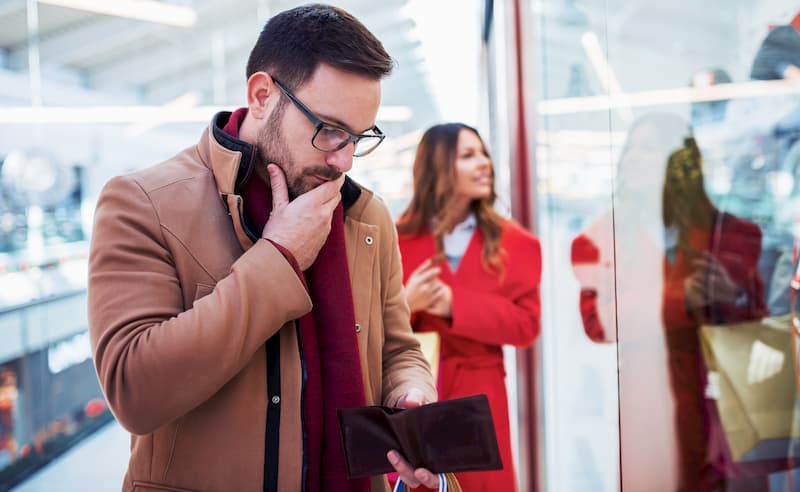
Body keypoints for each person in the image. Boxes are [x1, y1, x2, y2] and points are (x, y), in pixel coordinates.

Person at [87, 5, 437, 492]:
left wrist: (410, 389)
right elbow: (134, 392)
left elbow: (400, 350)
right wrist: (279, 256)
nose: (344, 159)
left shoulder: (365, 216)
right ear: (261, 95)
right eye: (330, 129)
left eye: (359, 137)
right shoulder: (143, 203)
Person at [395, 123, 542, 492]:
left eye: (483, 154)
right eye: (468, 155)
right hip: (416, 394)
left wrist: (451, 303)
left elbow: (527, 325)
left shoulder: (518, 243)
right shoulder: (393, 239)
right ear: (437, 166)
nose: (484, 164)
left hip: (482, 398)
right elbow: (363, 325)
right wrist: (406, 304)